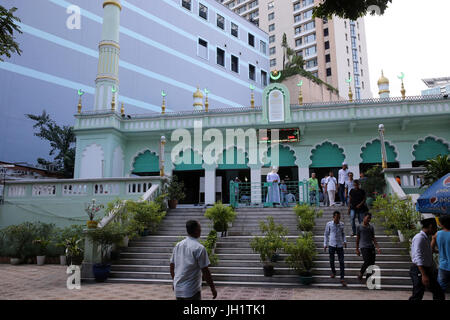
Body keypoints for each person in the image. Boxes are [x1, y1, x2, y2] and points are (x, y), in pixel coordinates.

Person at [170, 220, 217, 300]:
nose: (201, 230)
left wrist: (175, 282)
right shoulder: (199, 248)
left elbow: (172, 266)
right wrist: (212, 288)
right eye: (200, 228)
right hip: (191, 291)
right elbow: (205, 271)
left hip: (178, 290)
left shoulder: (178, 245)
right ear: (196, 230)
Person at [409, 218, 444, 301]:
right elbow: (418, 257)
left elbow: (428, 252)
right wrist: (424, 275)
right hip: (420, 270)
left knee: (438, 293)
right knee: (418, 294)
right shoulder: (419, 238)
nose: (436, 230)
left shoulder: (426, 238)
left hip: (426, 270)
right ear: (430, 226)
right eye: (435, 228)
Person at [324, 211, 347, 287]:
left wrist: (345, 241)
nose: (338, 219)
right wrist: (325, 244)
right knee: (331, 260)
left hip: (340, 245)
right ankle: (333, 272)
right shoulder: (329, 224)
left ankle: (342, 278)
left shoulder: (342, 224)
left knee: (342, 262)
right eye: (337, 217)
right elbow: (326, 234)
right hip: (332, 244)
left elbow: (343, 234)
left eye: (339, 217)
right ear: (333, 217)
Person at [356, 212, 381, 282]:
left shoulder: (371, 227)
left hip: (371, 247)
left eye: (370, 218)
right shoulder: (359, 227)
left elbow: (373, 238)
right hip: (363, 247)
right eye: (367, 218)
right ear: (364, 218)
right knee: (367, 261)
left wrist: (377, 247)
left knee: (372, 264)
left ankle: (368, 278)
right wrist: (357, 249)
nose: (368, 220)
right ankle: (361, 273)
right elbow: (357, 238)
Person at [431, 215, 450, 294]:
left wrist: (439, 251)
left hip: (443, 266)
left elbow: (431, 249)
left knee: (440, 289)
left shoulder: (437, 234)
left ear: (441, 224)